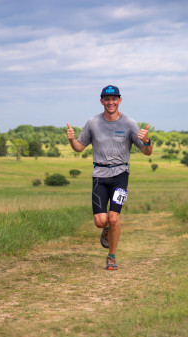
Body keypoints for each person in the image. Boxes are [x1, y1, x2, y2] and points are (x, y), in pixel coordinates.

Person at [66, 84, 152, 270]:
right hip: (99, 175)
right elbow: (80, 147)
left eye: (114, 99)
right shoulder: (93, 123)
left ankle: (111, 257)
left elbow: (146, 152)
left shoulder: (129, 123)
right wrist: (72, 139)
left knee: (114, 218)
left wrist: (148, 141)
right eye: (107, 99)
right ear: (101, 101)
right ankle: (106, 230)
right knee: (100, 221)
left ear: (120, 100)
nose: (110, 102)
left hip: (121, 175)